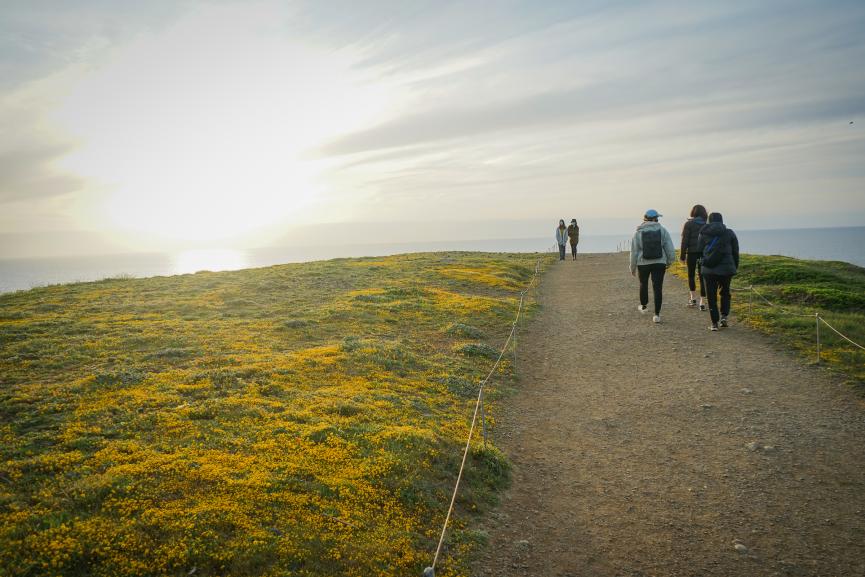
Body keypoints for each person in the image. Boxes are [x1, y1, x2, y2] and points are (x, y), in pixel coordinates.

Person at [629, 209, 676, 323]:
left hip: (643, 263)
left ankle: (644, 306)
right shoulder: (663, 230)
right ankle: (657, 315)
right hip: (659, 262)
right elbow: (669, 248)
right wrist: (669, 261)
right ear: (655, 219)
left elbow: (634, 251)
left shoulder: (638, 232)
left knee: (643, 283)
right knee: (657, 287)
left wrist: (632, 267)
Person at [698, 212, 740, 331]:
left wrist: (703, 263)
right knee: (725, 292)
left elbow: (699, 250)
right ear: (721, 220)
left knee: (711, 296)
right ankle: (724, 317)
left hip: (709, 270)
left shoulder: (703, 233)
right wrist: (734, 267)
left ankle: (714, 323)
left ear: (709, 221)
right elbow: (735, 252)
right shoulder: (729, 233)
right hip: (726, 269)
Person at [680, 204, 708, 309]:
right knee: (702, 277)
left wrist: (682, 256)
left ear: (693, 213)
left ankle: (693, 299)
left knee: (691, 275)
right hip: (703, 254)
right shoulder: (706, 225)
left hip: (691, 253)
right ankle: (702, 302)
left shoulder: (688, 224)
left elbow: (684, 241)